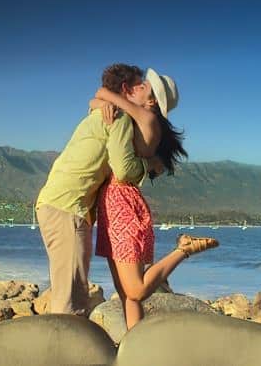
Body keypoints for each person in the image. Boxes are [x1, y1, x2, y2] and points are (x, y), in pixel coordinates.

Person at [90, 68, 219, 329]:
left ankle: (184, 249)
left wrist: (103, 97)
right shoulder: (139, 118)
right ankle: (134, 347)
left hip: (123, 202)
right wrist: (101, 102)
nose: (139, 86)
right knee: (128, 295)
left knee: (136, 290)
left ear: (152, 101)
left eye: (146, 86)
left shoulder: (146, 117)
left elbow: (102, 94)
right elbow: (99, 101)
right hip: (111, 203)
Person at [36, 64, 163, 316]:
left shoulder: (104, 113)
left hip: (59, 203)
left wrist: (98, 101)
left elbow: (97, 102)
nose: (148, 96)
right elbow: (125, 170)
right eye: (141, 86)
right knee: (71, 300)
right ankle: (64, 354)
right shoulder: (120, 118)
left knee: (72, 291)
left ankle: (64, 350)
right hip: (68, 207)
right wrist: (150, 165)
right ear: (126, 90)